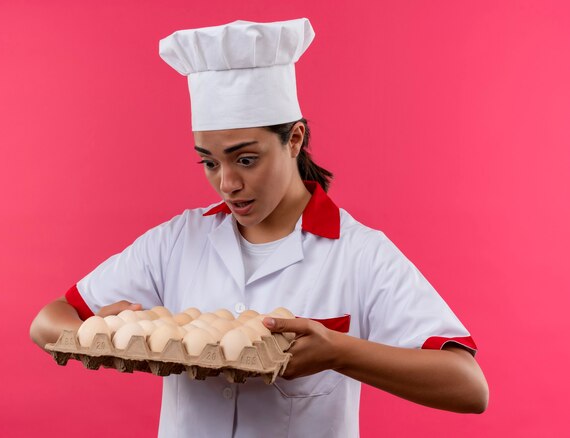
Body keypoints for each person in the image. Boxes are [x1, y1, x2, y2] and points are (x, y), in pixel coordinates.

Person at [30, 18, 488, 437]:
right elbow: (47, 321)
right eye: (209, 162)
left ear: (294, 139)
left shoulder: (359, 253)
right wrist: (101, 332)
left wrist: (340, 352)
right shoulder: (177, 241)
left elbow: (468, 387)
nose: (227, 184)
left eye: (245, 159)